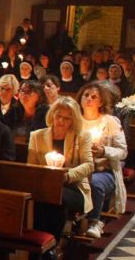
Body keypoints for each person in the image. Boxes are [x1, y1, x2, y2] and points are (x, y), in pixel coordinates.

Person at [27, 97, 93, 251]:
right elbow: (30, 166)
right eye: (58, 116)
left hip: (73, 187)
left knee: (58, 198)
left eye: (67, 118)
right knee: (40, 199)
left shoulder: (82, 137)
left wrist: (67, 175)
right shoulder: (37, 136)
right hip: (44, 186)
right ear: (52, 115)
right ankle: (37, 243)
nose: (61, 121)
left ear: (74, 120)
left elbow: (89, 165)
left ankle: (52, 245)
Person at [78, 81, 127, 239]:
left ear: (101, 102)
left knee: (94, 183)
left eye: (94, 96)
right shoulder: (75, 120)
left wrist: (104, 150)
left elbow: (123, 151)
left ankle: (95, 221)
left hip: (104, 171)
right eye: (86, 95)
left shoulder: (110, 122)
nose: (89, 99)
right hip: (78, 168)